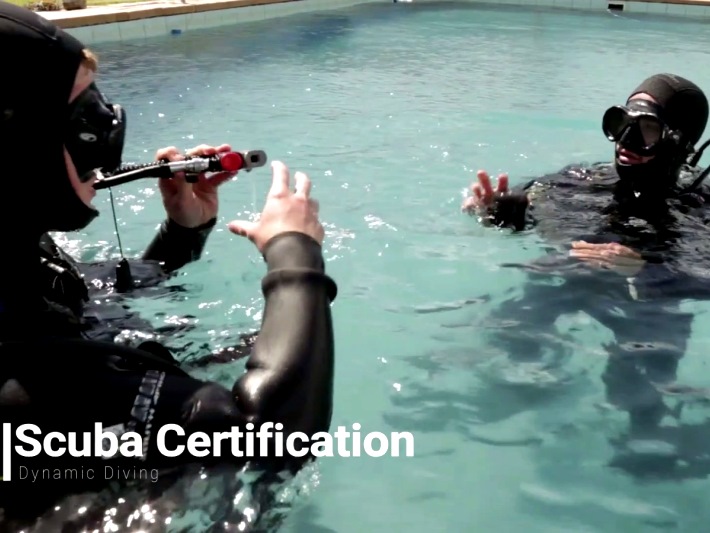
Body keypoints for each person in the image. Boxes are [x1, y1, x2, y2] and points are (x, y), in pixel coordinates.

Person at [0, 2, 337, 528]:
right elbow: (268, 439)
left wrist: (182, 233)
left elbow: (83, 303)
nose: (109, 126)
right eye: (84, 114)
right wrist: (295, 254)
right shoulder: (28, 379)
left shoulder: (17, 256)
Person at [461, 73, 710, 467]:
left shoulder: (700, 210)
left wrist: (648, 267)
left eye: (645, 129)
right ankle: (522, 390)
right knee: (515, 318)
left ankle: (650, 440)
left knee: (634, 391)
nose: (626, 142)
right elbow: (529, 207)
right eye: (620, 124)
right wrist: (498, 212)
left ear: (678, 141)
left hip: (647, 304)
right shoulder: (581, 180)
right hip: (576, 279)